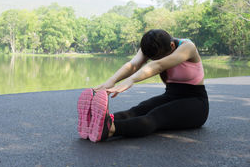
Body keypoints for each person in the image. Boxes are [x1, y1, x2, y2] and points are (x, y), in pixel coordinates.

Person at [77, 29, 209, 142]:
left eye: (161, 57)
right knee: (137, 110)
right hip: (170, 96)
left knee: (156, 116)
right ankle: (96, 122)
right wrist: (111, 81)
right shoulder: (151, 45)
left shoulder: (188, 47)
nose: (156, 59)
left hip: (196, 103)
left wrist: (131, 80)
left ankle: (111, 129)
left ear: (172, 45)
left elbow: (158, 65)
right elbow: (133, 65)